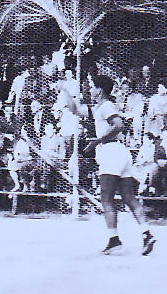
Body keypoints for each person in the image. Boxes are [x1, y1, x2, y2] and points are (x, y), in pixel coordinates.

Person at [62, 74, 156, 256]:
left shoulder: (106, 106)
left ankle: (114, 240)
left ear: (100, 90)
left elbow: (119, 125)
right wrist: (65, 89)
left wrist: (97, 141)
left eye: (92, 87)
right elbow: (74, 109)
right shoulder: (98, 108)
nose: (90, 90)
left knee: (106, 198)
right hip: (121, 153)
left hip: (111, 153)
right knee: (128, 197)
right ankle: (146, 233)